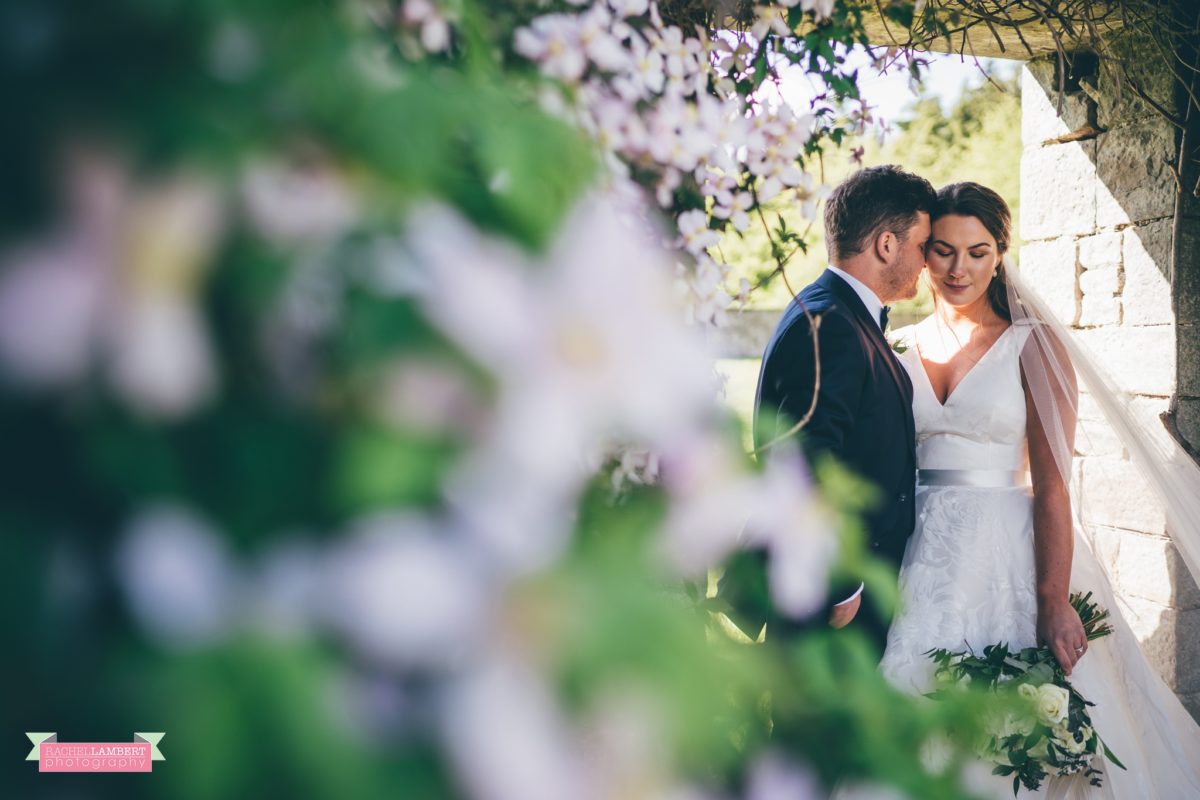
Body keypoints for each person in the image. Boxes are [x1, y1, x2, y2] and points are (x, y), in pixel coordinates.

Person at [881, 181, 1200, 797]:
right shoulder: (899, 346)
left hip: (1004, 553)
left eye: (977, 252)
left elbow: (1053, 486)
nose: (958, 268)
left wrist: (1053, 599)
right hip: (916, 551)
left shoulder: (1033, 345)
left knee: (1011, 728)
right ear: (923, 254)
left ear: (1000, 254)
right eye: (943, 250)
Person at [748, 165, 935, 655]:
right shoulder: (831, 322)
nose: (927, 263)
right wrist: (839, 583)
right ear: (887, 245)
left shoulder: (842, 314)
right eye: (922, 245)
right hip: (833, 603)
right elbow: (800, 458)